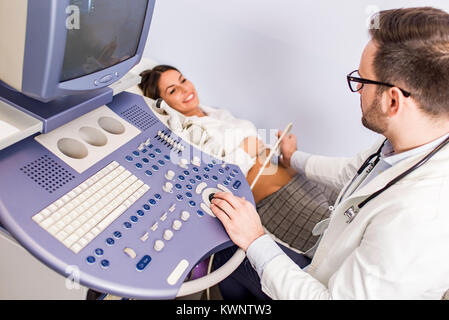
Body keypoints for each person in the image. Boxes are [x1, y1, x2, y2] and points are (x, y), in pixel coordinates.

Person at [210, 7, 449, 300]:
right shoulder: (415, 139)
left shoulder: (418, 221)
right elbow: (353, 170)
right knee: (227, 257)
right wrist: (293, 158)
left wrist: (256, 240)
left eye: (362, 81)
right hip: (325, 264)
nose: (358, 89)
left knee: (227, 255)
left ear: (393, 101)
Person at [139, 64, 339, 255]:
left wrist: (288, 156)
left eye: (183, 80)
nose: (185, 89)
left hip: (299, 176)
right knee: (341, 241)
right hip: (277, 200)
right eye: (173, 90)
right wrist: (245, 151)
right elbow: (212, 181)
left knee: (360, 210)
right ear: (164, 104)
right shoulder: (187, 135)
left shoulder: (216, 112)